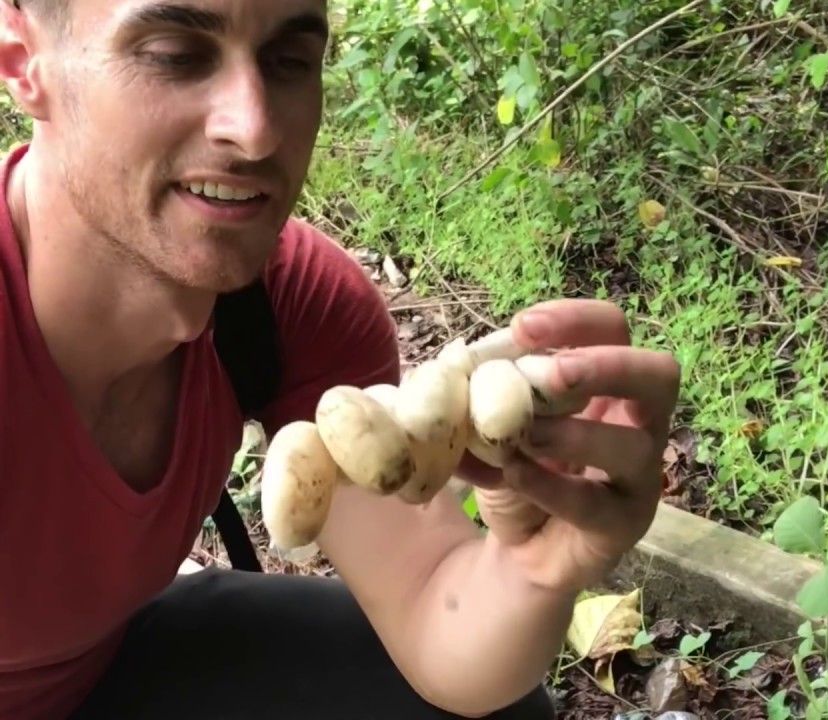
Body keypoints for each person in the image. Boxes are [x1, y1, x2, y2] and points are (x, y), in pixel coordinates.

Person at [0, 0, 682, 718]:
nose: (256, 127)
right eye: (175, 54)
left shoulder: (291, 301)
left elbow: (436, 614)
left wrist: (537, 568)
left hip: (100, 668)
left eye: (289, 60)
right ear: (23, 61)